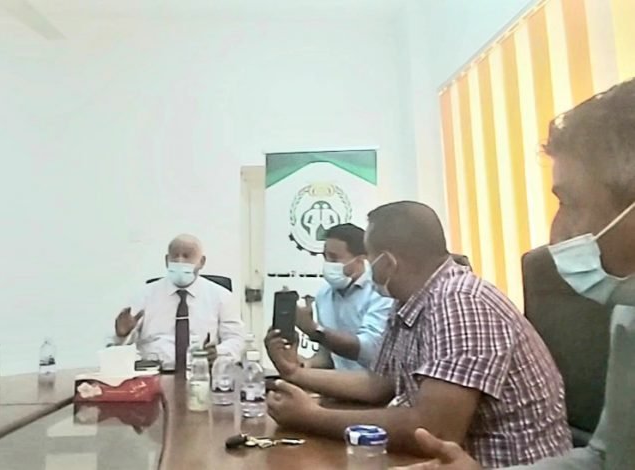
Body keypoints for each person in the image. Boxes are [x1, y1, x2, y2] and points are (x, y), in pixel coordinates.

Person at [396, 79, 635, 470]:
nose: (557, 234)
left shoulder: (460, 300)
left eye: (571, 203)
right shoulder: (628, 311)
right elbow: (608, 458)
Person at [264, 202, 571, 468]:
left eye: (370, 257)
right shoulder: (408, 302)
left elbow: (434, 430)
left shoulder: (459, 303)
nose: (368, 269)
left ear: (389, 262)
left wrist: (312, 417)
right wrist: (295, 373)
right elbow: (379, 384)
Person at [113, 234, 245, 372]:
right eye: (175, 256)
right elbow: (118, 348)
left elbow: (237, 339)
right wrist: (122, 334)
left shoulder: (221, 296)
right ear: (166, 260)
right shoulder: (145, 295)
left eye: (187, 256)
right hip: (155, 373)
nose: (180, 261)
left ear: (201, 262)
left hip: (203, 373)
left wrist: (218, 352)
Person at [294, 223, 392, 370]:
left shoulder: (380, 293)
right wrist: (305, 364)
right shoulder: (324, 295)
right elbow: (328, 356)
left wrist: (314, 330)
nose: (328, 264)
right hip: (338, 381)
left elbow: (369, 349)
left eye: (334, 258)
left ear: (360, 260)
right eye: (325, 257)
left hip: (373, 382)